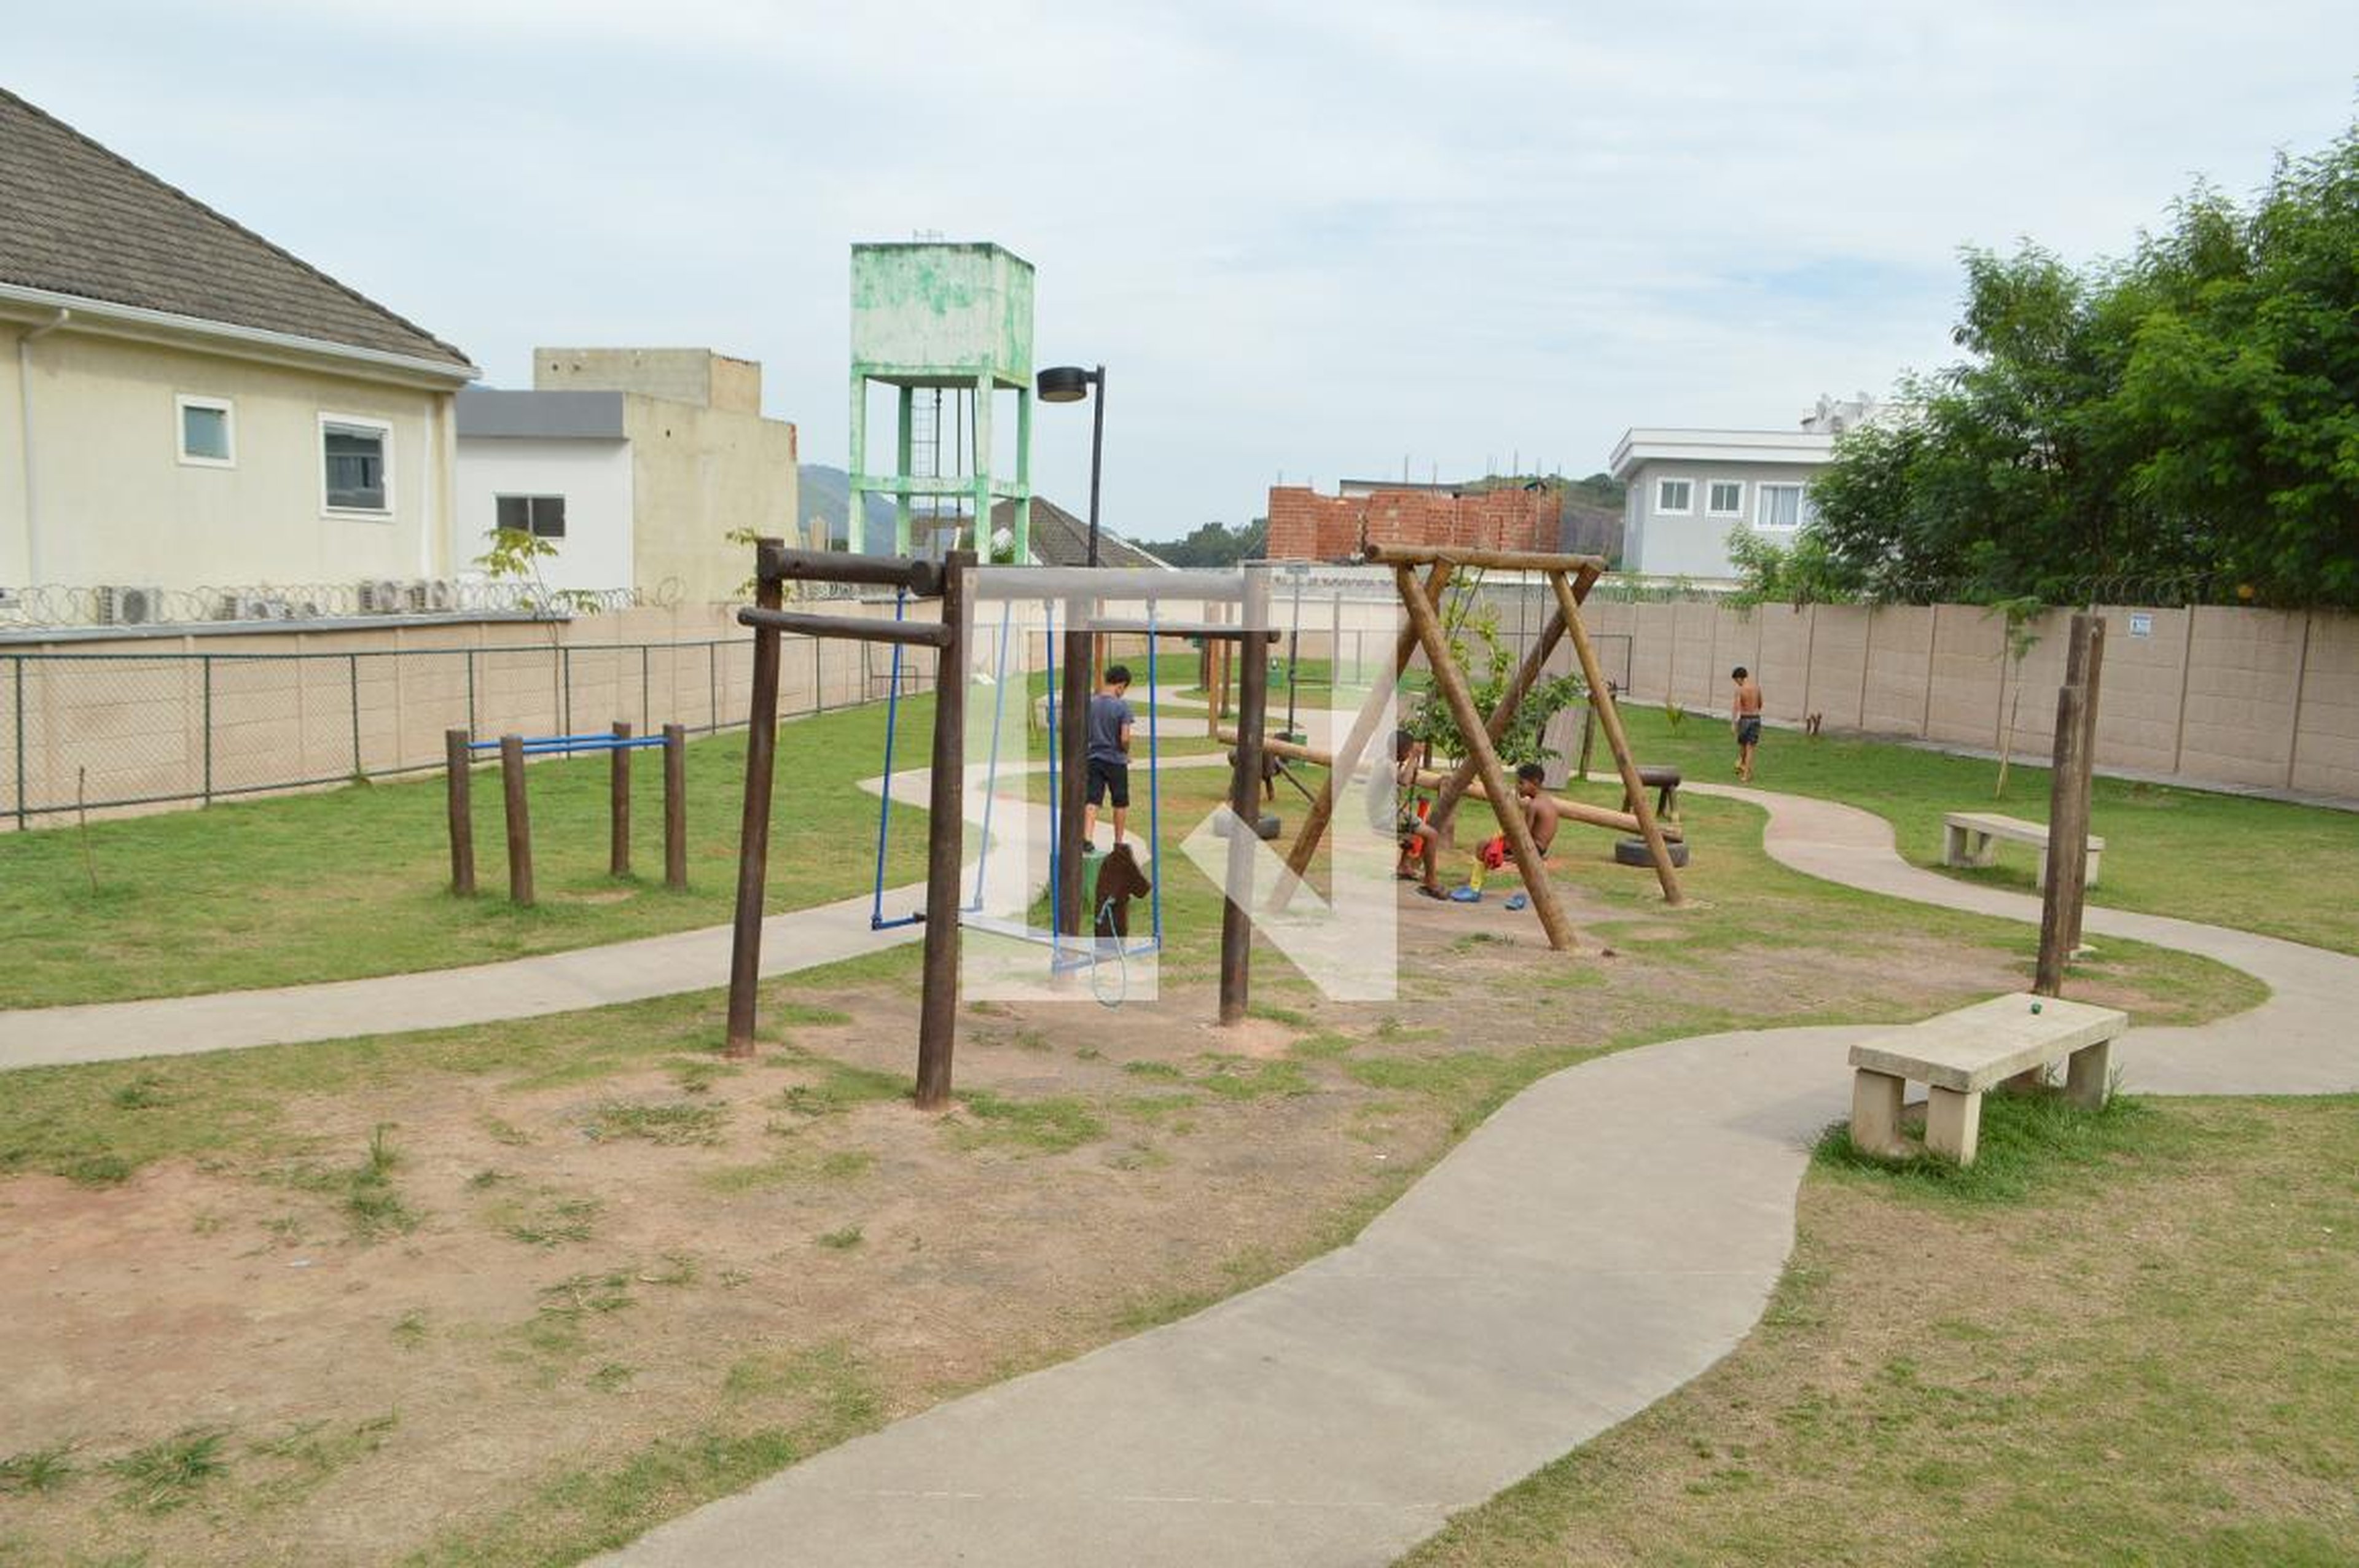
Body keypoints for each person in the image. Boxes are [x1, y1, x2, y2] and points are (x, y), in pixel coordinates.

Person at [1367, 728, 1444, 899]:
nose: (1410, 753)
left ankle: (1404, 866)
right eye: (1408, 750)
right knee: (1432, 835)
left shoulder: (1383, 761)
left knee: (1413, 827)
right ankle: (1431, 880)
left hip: (1381, 814)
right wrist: (1415, 758)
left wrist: (1410, 759)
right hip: (1385, 818)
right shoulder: (1387, 765)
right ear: (1401, 751)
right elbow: (1404, 781)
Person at [1083, 665, 1134, 851]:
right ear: (1121, 685)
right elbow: (1125, 737)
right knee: (1120, 802)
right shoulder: (1122, 706)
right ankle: (1118, 842)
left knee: (1092, 799)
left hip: (1094, 758)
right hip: (1116, 760)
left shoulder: (1092, 703)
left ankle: (1087, 838)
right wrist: (1126, 752)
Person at [1731, 665, 1764, 782]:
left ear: (1739, 678)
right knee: (1750, 748)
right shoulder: (1757, 687)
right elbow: (1761, 704)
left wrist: (1734, 724)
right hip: (1756, 718)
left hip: (1745, 719)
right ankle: (1746, 775)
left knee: (1743, 747)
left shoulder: (1740, 690)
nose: (1737, 683)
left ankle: (1741, 764)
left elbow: (1737, 708)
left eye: (1736, 681)